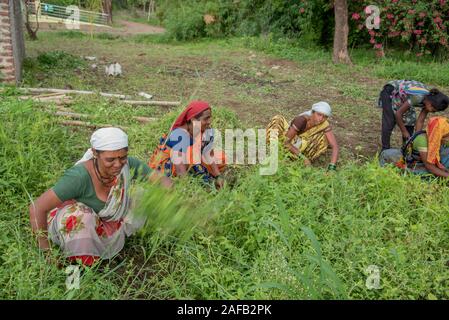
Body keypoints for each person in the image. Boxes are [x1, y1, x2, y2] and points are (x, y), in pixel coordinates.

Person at [29, 127, 172, 266]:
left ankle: (115, 241)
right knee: (81, 216)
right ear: (95, 153)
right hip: (80, 224)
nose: (117, 164)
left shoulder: (128, 165)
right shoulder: (79, 177)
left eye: (122, 157)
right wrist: (46, 252)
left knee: (142, 195)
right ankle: (82, 260)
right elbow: (37, 208)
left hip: (106, 222)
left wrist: (169, 191)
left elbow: (160, 180)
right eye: (110, 160)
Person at [149, 100, 226, 188]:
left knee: (221, 158)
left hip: (189, 161)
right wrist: (187, 188)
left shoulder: (204, 131)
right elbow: (180, 171)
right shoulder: (181, 135)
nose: (209, 121)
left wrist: (218, 176)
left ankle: (201, 171)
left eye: (210, 117)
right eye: (206, 118)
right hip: (171, 166)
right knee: (192, 154)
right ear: (193, 119)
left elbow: (209, 153)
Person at [378, 79, 449, 151]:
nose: (432, 112)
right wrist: (404, 131)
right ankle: (385, 149)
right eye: (433, 110)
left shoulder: (428, 101)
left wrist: (417, 137)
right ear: (430, 103)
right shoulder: (418, 97)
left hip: (404, 97)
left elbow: (420, 121)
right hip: (391, 91)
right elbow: (398, 114)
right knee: (389, 121)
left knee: (410, 120)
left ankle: (406, 148)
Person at [266, 101, 339, 170]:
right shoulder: (301, 120)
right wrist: (303, 158)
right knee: (278, 119)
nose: (321, 119)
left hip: (299, 145)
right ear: (313, 112)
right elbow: (286, 142)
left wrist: (331, 168)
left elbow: (335, 146)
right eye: (319, 115)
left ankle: (295, 158)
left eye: (325, 117)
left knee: (322, 138)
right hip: (285, 141)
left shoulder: (324, 124)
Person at [379, 117, 449, 178]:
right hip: (412, 162)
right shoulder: (422, 141)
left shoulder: (433, 139)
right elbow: (430, 167)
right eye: (446, 136)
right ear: (438, 135)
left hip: (421, 160)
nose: (447, 139)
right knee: (429, 174)